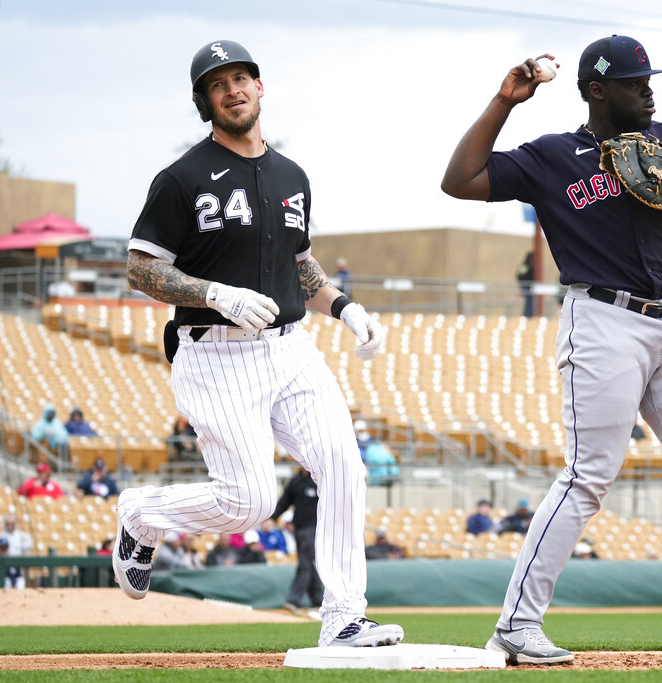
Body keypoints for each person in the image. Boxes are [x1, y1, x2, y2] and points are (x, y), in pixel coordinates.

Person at [441, 35, 662, 666]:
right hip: (602, 321)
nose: (648, 89)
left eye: (650, 79)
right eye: (633, 81)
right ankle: (516, 626)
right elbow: (458, 181)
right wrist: (504, 103)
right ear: (597, 91)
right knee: (588, 476)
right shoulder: (553, 157)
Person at [119, 39, 400, 648]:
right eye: (219, 83)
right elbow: (140, 270)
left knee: (344, 467)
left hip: (292, 349)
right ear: (205, 101)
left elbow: (300, 265)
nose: (234, 89)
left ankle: (344, 617)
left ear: (260, 87)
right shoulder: (181, 179)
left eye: (242, 77)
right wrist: (214, 293)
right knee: (249, 505)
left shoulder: (291, 174)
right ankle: (142, 514)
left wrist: (346, 308)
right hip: (214, 350)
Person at [273, 469, 324, 616]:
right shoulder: (296, 481)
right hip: (299, 529)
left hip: (314, 528)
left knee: (305, 564)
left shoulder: (319, 479)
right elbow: (285, 501)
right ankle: (318, 600)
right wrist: (272, 517)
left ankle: (293, 600)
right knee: (307, 564)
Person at [355, 420, 400, 486]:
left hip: (372, 465)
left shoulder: (372, 440)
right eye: (360, 431)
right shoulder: (355, 442)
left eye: (362, 430)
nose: (361, 433)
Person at [517, 250, 535, 317]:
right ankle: (528, 315)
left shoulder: (523, 265)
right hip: (527, 287)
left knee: (527, 301)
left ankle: (526, 314)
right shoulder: (529, 265)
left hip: (523, 286)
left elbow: (518, 275)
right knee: (529, 301)